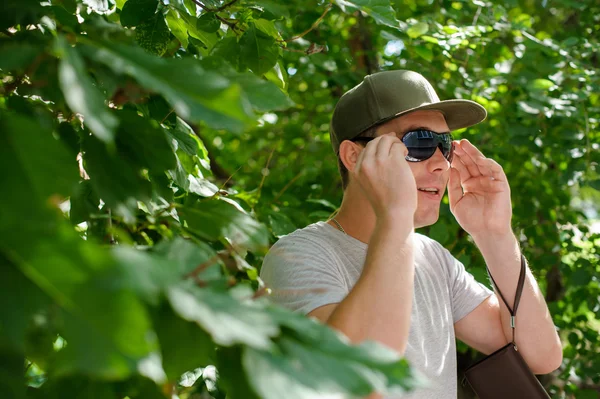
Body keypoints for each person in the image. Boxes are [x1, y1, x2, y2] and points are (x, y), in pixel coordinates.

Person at [260, 70, 562, 399]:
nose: (441, 164)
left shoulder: (433, 259)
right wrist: (396, 214)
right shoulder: (298, 255)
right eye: (419, 143)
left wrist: (495, 233)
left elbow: (541, 356)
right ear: (354, 156)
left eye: (445, 146)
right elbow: (363, 381)